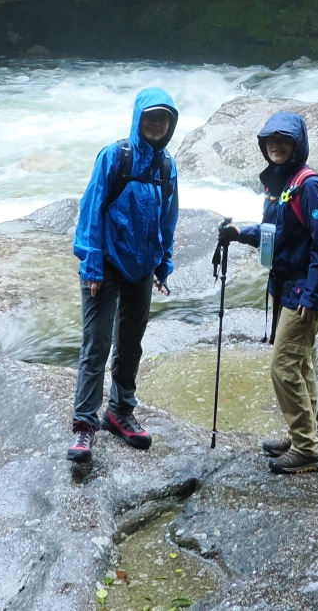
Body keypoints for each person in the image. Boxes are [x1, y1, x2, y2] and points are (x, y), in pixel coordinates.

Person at [219, 108, 318, 475]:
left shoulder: (309, 186)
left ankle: (306, 448)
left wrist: (313, 297)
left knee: (283, 366)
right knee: (300, 363)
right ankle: (302, 431)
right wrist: (241, 232)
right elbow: (277, 237)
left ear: (297, 144)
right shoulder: (279, 185)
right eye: (271, 140)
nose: (277, 146)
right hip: (287, 286)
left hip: (303, 291)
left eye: (284, 140)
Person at [68, 85, 180, 463]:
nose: (157, 124)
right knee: (97, 344)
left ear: (171, 124)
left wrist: (163, 263)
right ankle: (84, 425)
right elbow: (91, 210)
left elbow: (168, 217)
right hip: (108, 265)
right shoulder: (114, 156)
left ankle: (119, 412)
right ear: (139, 118)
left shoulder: (166, 166)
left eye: (164, 119)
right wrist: (92, 265)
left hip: (143, 267)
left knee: (130, 342)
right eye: (151, 117)